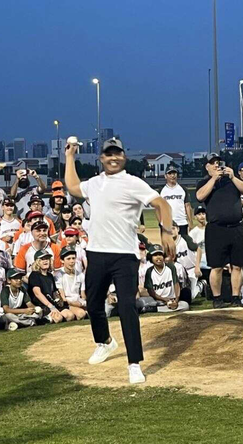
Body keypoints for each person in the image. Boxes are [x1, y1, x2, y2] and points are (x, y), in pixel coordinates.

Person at [65, 136, 175, 384]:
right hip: (97, 253)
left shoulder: (132, 182)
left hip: (125, 255)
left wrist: (167, 232)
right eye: (108, 154)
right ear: (101, 158)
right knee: (93, 304)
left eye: (117, 153)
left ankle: (134, 363)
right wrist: (70, 156)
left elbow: (161, 204)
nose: (113, 158)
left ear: (123, 157)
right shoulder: (94, 183)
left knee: (127, 306)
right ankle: (104, 342)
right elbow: (72, 187)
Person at [196, 153, 243, 308]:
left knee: (237, 265)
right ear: (207, 167)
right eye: (212, 163)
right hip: (216, 229)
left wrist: (233, 177)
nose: (216, 165)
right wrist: (213, 179)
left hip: (236, 227)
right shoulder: (204, 182)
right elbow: (200, 196)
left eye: (218, 163)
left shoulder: (231, 181)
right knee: (217, 266)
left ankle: (235, 297)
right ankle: (217, 298)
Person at [55, 246, 88, 320]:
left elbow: (83, 294)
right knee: (80, 314)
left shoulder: (80, 275)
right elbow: (62, 297)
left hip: (78, 301)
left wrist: (83, 303)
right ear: (62, 261)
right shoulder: (58, 275)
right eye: (68, 259)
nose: (72, 261)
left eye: (73, 258)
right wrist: (73, 304)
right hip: (67, 303)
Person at [160, 166, 193, 236]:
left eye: (174, 173)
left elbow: (187, 206)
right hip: (167, 224)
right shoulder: (161, 191)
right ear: (165, 176)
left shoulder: (183, 189)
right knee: (168, 246)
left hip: (182, 222)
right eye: (170, 173)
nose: (172, 175)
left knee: (184, 245)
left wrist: (190, 222)